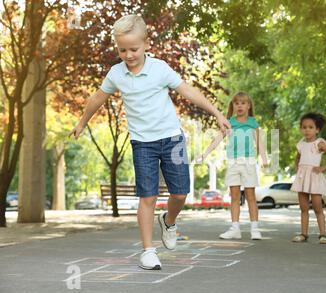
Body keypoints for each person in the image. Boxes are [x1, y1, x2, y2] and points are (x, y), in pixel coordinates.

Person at [69, 15, 230, 270]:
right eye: (122, 50)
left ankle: (168, 220)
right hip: (143, 143)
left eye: (134, 49)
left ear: (145, 44)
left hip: (173, 139)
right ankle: (147, 250)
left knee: (180, 193)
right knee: (148, 196)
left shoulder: (160, 69)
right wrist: (82, 122)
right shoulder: (116, 74)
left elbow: (188, 91)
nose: (128, 55)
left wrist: (217, 113)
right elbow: (98, 98)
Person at [199, 92, 268, 240]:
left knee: (250, 196)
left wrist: (264, 159)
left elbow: (259, 142)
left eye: (243, 103)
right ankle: (235, 228)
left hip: (249, 162)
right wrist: (205, 154)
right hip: (233, 163)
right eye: (236, 103)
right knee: (235, 196)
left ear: (248, 106)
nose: (240, 106)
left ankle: (255, 228)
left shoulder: (252, 122)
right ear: (233, 106)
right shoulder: (229, 122)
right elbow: (217, 139)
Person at [291, 112, 326, 244]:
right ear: (301, 128)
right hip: (302, 178)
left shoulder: (319, 143)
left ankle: (323, 234)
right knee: (303, 208)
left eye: (311, 127)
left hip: (314, 176)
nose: (307, 130)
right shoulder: (301, 144)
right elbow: (298, 157)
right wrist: (298, 168)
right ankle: (303, 234)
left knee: (318, 207)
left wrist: (322, 168)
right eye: (304, 127)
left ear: (317, 129)